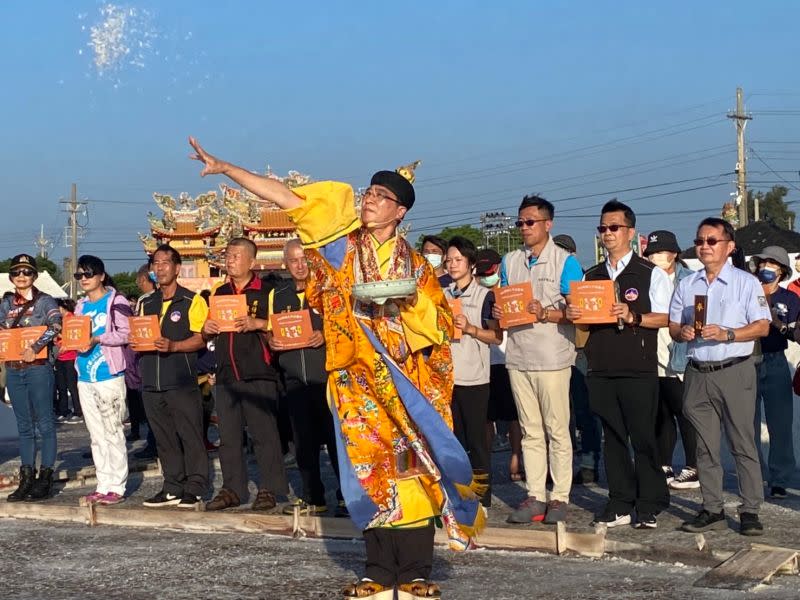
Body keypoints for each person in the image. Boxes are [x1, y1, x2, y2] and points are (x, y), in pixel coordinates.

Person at [190, 136, 483, 600]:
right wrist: (228, 168)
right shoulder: (341, 246)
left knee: (413, 471)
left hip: (407, 383)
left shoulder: (419, 268)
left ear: (400, 212)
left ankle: (415, 569)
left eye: (381, 197)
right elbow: (287, 198)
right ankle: (377, 569)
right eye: (368, 192)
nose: (369, 200)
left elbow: (440, 322)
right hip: (355, 380)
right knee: (367, 470)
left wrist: (405, 306)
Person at [566, 200, 671, 529]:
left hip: (637, 366)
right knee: (611, 438)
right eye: (603, 228)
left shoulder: (648, 273)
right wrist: (574, 316)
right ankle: (620, 500)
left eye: (614, 228)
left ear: (630, 232)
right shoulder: (591, 275)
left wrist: (634, 316)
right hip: (601, 366)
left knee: (642, 437)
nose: (607, 234)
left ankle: (650, 502)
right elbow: (584, 324)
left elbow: (668, 317)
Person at [670, 218, 771, 536]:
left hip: (734, 370)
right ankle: (711, 507)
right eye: (700, 240)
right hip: (698, 371)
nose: (704, 246)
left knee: (742, 443)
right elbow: (674, 325)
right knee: (704, 446)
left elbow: (762, 327)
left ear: (729, 246)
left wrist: (729, 334)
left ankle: (750, 510)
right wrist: (682, 331)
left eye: (712, 240)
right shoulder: (688, 284)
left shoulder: (746, 282)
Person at [497, 196, 583, 525]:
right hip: (518, 355)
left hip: (553, 356)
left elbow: (578, 311)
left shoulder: (565, 261)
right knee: (530, 432)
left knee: (557, 431)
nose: (524, 228)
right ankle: (535, 494)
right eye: (520, 222)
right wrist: (499, 310)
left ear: (548, 224)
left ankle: (560, 496)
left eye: (530, 222)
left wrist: (546, 312)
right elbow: (505, 300)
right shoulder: (510, 260)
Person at [203, 238, 288, 512]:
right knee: (228, 436)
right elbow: (206, 333)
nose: (230, 260)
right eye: (228, 255)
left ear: (252, 262)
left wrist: (258, 323)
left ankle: (269, 488)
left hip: (258, 372)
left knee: (264, 435)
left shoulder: (267, 291)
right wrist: (207, 328)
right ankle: (232, 489)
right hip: (226, 374)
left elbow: (282, 326)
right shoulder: (219, 292)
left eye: (237, 256)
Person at [269, 239, 345, 517]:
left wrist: (325, 335)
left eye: (304, 259)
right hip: (294, 379)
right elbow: (270, 328)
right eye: (294, 261)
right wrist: (272, 341)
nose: (300, 266)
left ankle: (346, 496)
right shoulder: (278, 294)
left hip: (326, 378)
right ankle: (313, 497)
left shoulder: (329, 289)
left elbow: (347, 326)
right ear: (285, 264)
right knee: (304, 443)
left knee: (337, 441)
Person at [137, 245, 209, 509]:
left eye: (165, 263)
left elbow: (201, 338)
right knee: (164, 437)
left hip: (181, 380)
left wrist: (175, 346)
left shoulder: (193, 300)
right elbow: (139, 334)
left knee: (190, 434)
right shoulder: (146, 302)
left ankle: (196, 486)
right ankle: (172, 486)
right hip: (151, 381)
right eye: (155, 263)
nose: (160, 267)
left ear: (177, 268)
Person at [444, 236, 502, 508]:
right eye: (449, 260)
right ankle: (457, 493)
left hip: (475, 378)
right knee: (454, 440)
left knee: (478, 440)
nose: (452, 265)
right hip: (448, 377)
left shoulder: (484, 295)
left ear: (471, 264)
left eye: (458, 260)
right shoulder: (443, 295)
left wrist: (470, 329)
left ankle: (482, 495)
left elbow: (497, 336)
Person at [0, 254, 62, 502]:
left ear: (34, 275)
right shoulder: (5, 304)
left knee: (45, 424)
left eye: (26, 272)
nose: (21, 277)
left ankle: (45, 479)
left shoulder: (45, 301)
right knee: (24, 426)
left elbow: (56, 326)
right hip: (14, 369)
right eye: (17, 273)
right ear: (11, 277)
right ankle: (27, 478)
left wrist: (35, 347)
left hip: (38, 367)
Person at [73, 256, 132, 505]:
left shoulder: (115, 301)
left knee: (113, 432)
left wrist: (98, 339)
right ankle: (103, 482)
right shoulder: (80, 306)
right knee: (96, 435)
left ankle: (117, 486)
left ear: (101, 276)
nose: (84, 279)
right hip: (85, 375)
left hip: (109, 374)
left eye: (88, 274)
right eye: (79, 276)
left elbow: (126, 333)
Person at [643, 231, 699, 491]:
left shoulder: (689, 279)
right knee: (661, 412)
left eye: (659, 252)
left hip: (680, 352)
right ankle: (664, 464)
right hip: (654, 353)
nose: (655, 257)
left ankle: (693, 466)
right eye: (651, 253)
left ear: (673, 254)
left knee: (684, 410)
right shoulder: (646, 278)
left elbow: (698, 315)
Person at [552, 234, 601, 485]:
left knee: (585, 411)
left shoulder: (588, 280)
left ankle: (589, 464)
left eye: (563, 253)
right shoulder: (546, 282)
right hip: (552, 350)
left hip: (580, 349)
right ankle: (560, 467)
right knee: (558, 414)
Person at [751, 246, 798, 500]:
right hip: (748, 360)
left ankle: (779, 479)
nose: (765, 267)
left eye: (772, 264)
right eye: (763, 262)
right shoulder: (747, 291)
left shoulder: (790, 299)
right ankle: (754, 476)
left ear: (781, 271)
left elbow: (795, 333)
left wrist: (778, 325)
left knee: (780, 423)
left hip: (776, 361)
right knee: (748, 424)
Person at [476, 249, 523, 484]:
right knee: (486, 417)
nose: (486, 277)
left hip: (508, 359)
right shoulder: (476, 295)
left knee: (513, 415)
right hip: (484, 362)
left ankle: (516, 457)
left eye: (490, 272)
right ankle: (485, 465)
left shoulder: (509, 293)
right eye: (482, 273)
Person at [130, 263, 157, 456]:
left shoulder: (145, 301)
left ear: (143, 279)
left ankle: (153, 444)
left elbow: (140, 327)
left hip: (147, 356)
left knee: (152, 408)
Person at [55, 298, 83, 424]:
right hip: (59, 357)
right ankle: (64, 410)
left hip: (70, 357)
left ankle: (78, 411)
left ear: (61, 308)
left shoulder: (72, 318)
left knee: (72, 386)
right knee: (61, 386)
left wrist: (59, 334)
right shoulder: (58, 320)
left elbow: (73, 336)